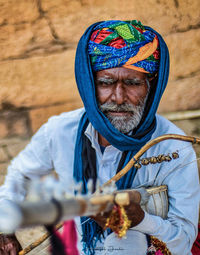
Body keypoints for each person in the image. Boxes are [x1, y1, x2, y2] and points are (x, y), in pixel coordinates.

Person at [0, 20, 199, 255]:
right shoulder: (60, 131)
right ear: (89, 85)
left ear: (150, 85)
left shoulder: (173, 147)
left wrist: (142, 220)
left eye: (133, 83)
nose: (118, 97)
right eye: (105, 83)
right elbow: (18, 178)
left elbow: (184, 243)